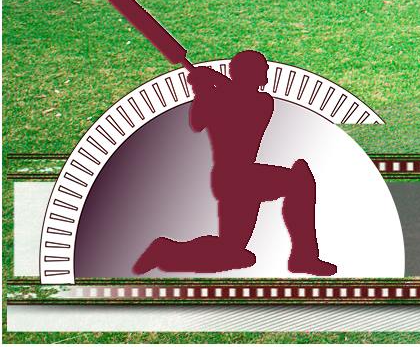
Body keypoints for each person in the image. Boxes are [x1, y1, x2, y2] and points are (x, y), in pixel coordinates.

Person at [130, 48, 335, 278]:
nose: (266, 74)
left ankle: (167, 249)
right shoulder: (223, 97)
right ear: (250, 73)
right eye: (261, 69)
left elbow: (241, 102)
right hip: (236, 179)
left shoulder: (260, 101)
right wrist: (203, 91)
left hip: (240, 179)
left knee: (235, 253)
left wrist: (211, 84)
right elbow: (197, 122)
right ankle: (304, 258)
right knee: (299, 181)